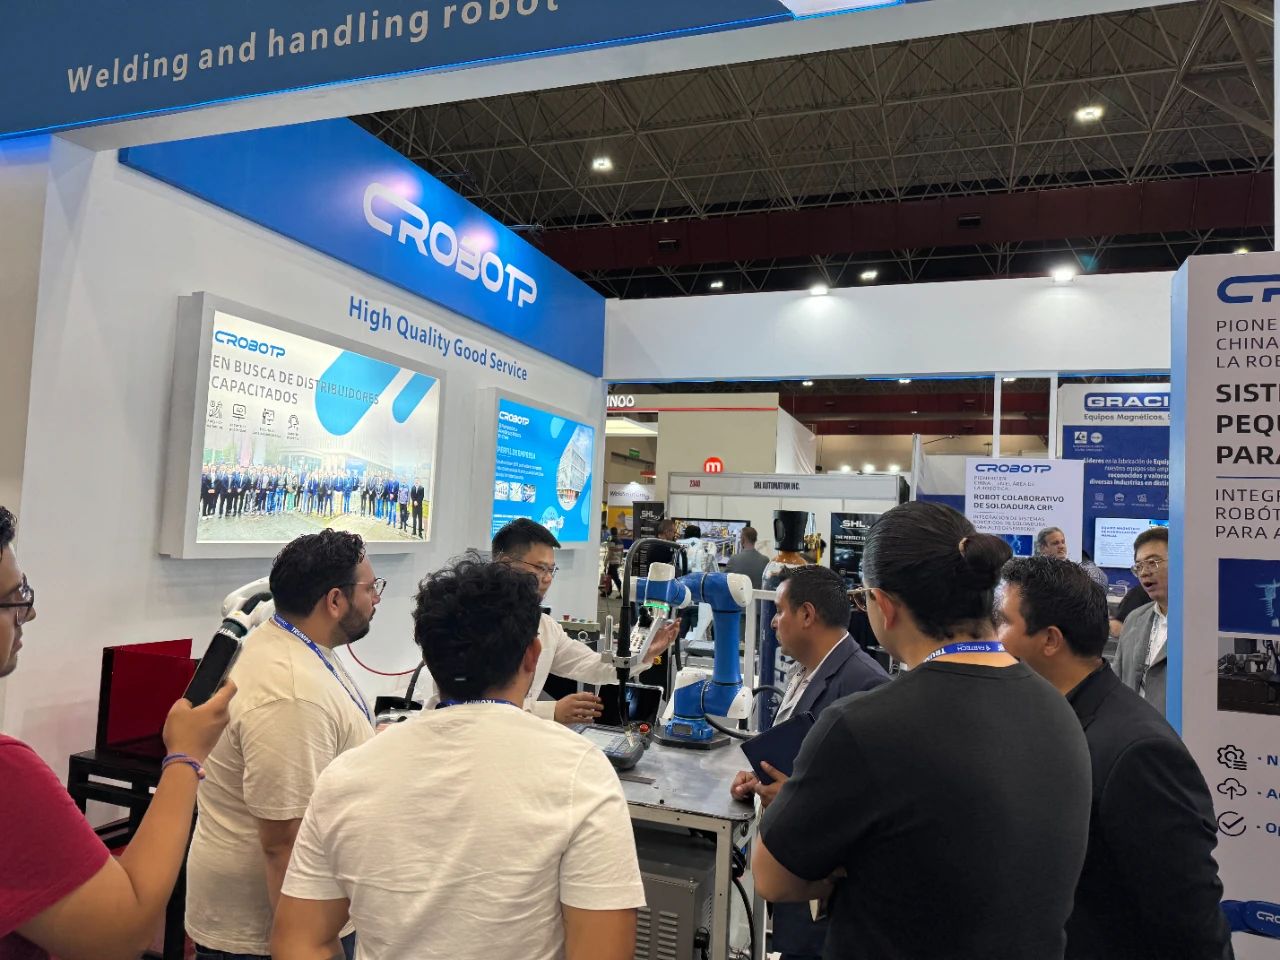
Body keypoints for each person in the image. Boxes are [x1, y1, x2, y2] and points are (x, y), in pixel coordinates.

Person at [752, 501, 1091, 960]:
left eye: (863, 599)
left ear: (885, 606)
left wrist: (846, 866)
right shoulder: (1059, 710)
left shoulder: (864, 724)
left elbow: (772, 878)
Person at [271, 558, 645, 960]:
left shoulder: (346, 776)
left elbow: (298, 941)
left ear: (429, 658)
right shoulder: (581, 773)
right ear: (532, 656)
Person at [0, 505, 237, 960]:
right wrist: (185, 757)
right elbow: (122, 933)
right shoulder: (8, 773)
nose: (28, 614)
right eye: (15, 599)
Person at [997, 556, 1230, 960]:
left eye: (1003, 621)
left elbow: (1189, 919)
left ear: (1050, 640)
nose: (992, 637)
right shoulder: (1049, 718)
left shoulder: (1138, 751)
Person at [186, 529, 383, 960]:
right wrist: (313, 946)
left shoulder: (298, 644)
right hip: (269, 934)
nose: (376, 599)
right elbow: (285, 842)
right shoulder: (290, 693)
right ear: (335, 601)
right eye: (371, 588)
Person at [729, 564, 889, 960]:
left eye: (780, 611)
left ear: (806, 615)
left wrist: (795, 798)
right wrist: (760, 779)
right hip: (795, 880)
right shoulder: (807, 672)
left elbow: (873, 804)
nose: (773, 622)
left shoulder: (864, 685)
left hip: (827, 901)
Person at [490, 519, 676, 724]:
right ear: (505, 564)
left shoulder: (546, 628)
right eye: (540, 568)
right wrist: (550, 711)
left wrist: (643, 655)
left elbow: (590, 665)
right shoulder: (475, 625)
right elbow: (478, 707)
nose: (548, 579)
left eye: (551, 570)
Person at [1113, 526, 1170, 715]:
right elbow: (1118, 681)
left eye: (1153, 562)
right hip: (1133, 726)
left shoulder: (1200, 624)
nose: (1144, 572)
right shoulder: (1134, 619)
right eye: (1139, 566)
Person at [1036, 526, 1108, 588]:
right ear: (1042, 548)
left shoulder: (1077, 571)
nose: (1061, 546)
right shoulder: (1037, 573)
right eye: (1055, 543)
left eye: (1063, 542)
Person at [726, 525, 769, 590]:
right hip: (758, 596)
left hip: (740, 596)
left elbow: (724, 581)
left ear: (742, 540)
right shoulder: (765, 561)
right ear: (755, 540)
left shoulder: (733, 559)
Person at [605, 528, 624, 596]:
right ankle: (608, 592)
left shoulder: (612, 541)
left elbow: (610, 553)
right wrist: (620, 561)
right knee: (609, 576)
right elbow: (622, 553)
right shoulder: (620, 541)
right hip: (617, 561)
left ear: (611, 532)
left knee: (615, 578)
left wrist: (605, 562)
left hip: (612, 562)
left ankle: (622, 593)